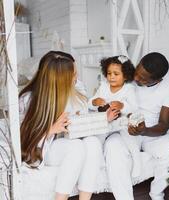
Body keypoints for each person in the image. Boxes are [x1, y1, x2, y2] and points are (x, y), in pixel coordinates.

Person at [19, 51, 119, 200]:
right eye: (73, 75)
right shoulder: (29, 99)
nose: (76, 78)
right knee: (76, 147)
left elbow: (83, 124)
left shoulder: (75, 93)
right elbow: (22, 139)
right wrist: (51, 129)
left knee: (92, 143)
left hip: (68, 141)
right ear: (60, 79)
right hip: (42, 147)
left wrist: (102, 120)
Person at [104, 52, 169, 200]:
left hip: (150, 133)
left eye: (143, 79)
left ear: (158, 79)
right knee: (112, 146)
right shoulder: (128, 73)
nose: (136, 78)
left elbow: (164, 126)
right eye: (137, 71)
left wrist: (144, 130)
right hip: (123, 128)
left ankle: (157, 194)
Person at [88, 55, 142, 178]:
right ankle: (100, 161)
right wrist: (94, 102)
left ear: (126, 76)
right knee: (98, 137)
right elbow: (89, 104)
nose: (111, 76)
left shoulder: (129, 89)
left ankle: (137, 159)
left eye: (116, 74)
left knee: (128, 137)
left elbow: (134, 107)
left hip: (121, 121)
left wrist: (122, 105)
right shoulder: (103, 87)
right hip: (105, 120)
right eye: (109, 73)